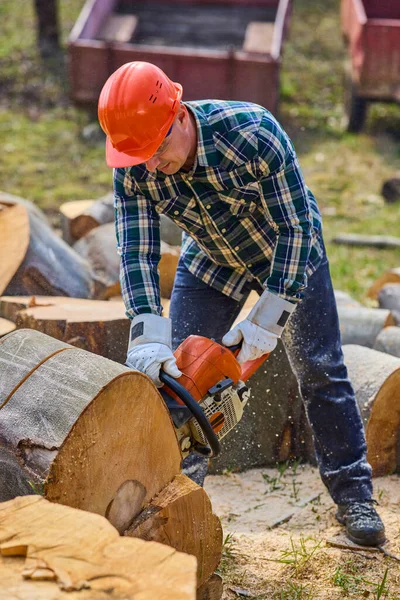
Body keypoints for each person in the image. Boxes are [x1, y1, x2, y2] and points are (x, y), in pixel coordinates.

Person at [98, 61, 385, 547]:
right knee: (182, 385)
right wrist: (147, 333)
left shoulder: (252, 133)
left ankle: (355, 497)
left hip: (287, 253)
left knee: (319, 367)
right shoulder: (135, 167)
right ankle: (177, 506)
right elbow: (137, 250)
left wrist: (268, 319)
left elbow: (297, 228)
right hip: (211, 259)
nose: (150, 164)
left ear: (180, 114)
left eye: (158, 148)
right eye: (139, 155)